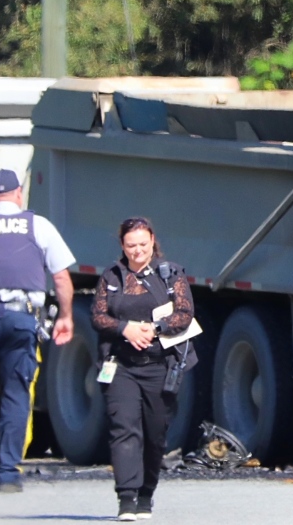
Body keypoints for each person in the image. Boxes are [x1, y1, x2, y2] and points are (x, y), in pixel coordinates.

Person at [0, 169, 75, 493]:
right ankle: (8, 473)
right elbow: (61, 278)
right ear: (18, 193)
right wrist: (65, 316)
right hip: (22, 318)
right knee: (16, 392)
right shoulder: (37, 225)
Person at [91, 216, 197, 521]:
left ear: (152, 241)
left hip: (160, 366)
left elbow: (185, 313)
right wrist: (125, 329)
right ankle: (126, 497)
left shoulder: (170, 273)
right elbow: (98, 317)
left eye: (142, 244)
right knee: (124, 429)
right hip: (120, 365)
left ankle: (146, 494)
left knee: (155, 434)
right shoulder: (112, 276)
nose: (137, 251)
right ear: (122, 245)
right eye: (130, 245)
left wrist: (155, 328)